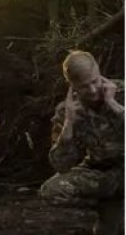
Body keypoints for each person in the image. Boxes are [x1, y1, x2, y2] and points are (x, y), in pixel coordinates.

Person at [40, 50, 124, 234]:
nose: (93, 90)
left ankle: (116, 214)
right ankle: (109, 208)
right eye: (84, 86)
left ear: (98, 71)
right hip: (101, 175)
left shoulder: (122, 91)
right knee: (51, 190)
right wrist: (69, 124)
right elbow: (60, 165)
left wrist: (115, 106)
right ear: (72, 86)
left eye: (94, 81)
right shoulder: (67, 111)